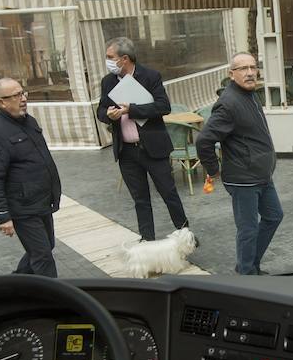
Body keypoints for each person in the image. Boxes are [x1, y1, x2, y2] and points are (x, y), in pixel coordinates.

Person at [97, 37, 191, 243]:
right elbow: (101, 111)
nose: (108, 61)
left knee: (169, 193)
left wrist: (132, 109)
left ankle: (185, 234)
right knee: (140, 199)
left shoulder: (150, 76)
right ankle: (147, 240)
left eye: (110, 57)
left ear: (124, 59)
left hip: (153, 147)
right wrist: (109, 114)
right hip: (127, 151)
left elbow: (163, 106)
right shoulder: (108, 82)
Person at [196, 53, 282, 276]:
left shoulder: (250, 93)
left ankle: (249, 265)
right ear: (231, 74)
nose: (250, 72)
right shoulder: (228, 103)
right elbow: (204, 140)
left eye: (253, 67)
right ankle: (246, 277)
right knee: (248, 230)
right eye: (243, 68)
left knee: (274, 216)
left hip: (261, 175)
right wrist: (214, 170)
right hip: (243, 179)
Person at [0, 77, 61, 277]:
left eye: (23, 93)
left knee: (46, 246)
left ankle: (16, 281)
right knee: (43, 257)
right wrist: (2, 216)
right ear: (1, 102)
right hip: (22, 207)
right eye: (16, 95)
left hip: (41, 199)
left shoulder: (28, 121)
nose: (23, 98)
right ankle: (53, 299)